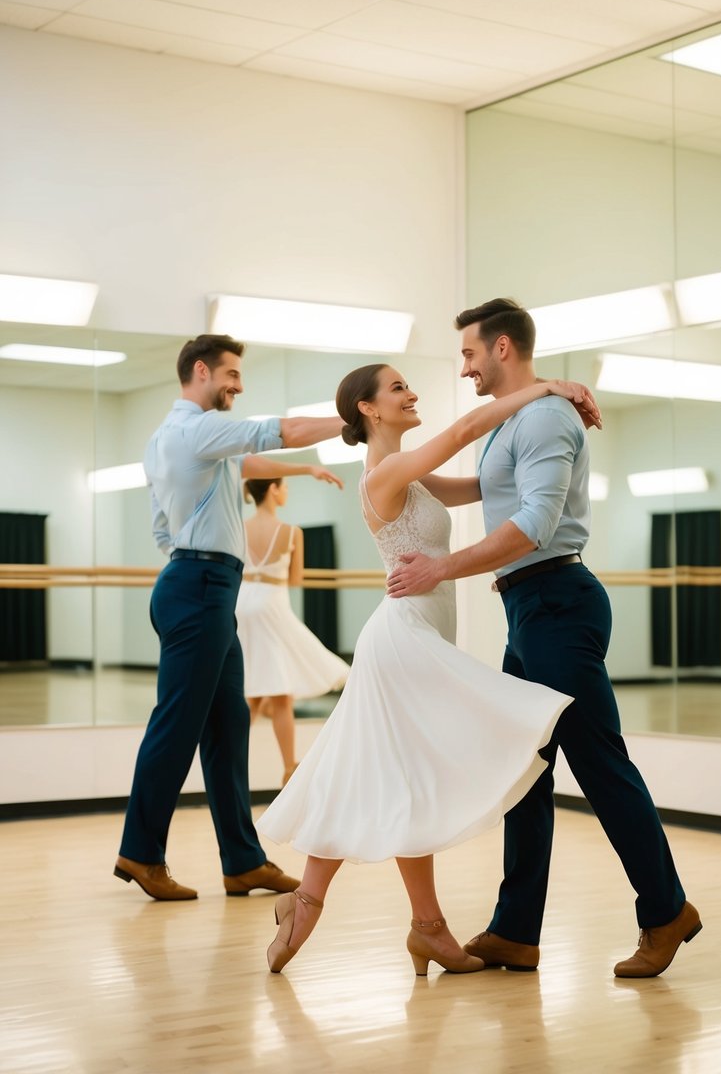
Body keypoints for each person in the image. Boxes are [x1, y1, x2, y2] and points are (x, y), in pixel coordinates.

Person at [387, 298, 701, 979]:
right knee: (523, 773)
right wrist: (384, 457)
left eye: (469, 354)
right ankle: (515, 931)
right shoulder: (515, 422)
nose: (464, 367)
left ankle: (665, 911)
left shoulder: (548, 419)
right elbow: (473, 487)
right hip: (528, 610)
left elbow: (531, 524)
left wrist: (440, 566)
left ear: (502, 348)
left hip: (558, 602)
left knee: (601, 767)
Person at [255, 364, 598, 975]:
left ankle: (375, 918)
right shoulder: (384, 475)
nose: (411, 394)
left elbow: (481, 485)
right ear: (369, 409)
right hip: (404, 638)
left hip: (416, 632)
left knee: (385, 777)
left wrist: (548, 455)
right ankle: (386, 919)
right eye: (398, 388)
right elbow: (467, 425)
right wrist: (547, 388)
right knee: (456, 747)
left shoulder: (411, 477)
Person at [114, 333, 345, 902]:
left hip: (198, 583)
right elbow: (279, 431)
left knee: (226, 726)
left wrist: (306, 470)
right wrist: (354, 417)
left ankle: (241, 860)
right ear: (201, 371)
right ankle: (141, 852)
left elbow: (243, 467)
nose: (239, 386)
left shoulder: (168, 439)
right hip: (200, 586)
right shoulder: (200, 428)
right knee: (177, 725)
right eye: (232, 375)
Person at [237, 476, 348, 786]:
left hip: (241, 604)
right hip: (271, 604)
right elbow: (296, 578)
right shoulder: (291, 532)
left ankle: (232, 762)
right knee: (279, 691)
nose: (287, 491)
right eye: (284, 486)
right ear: (272, 489)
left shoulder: (239, 528)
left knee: (254, 689)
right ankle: (289, 767)